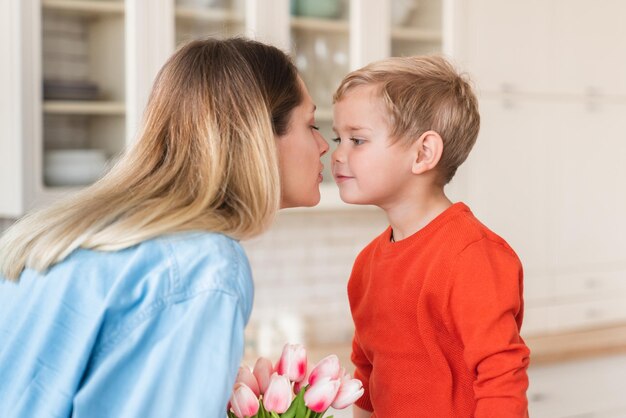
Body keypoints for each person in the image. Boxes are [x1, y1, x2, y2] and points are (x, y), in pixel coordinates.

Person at [0, 37, 328, 417]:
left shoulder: (63, 233)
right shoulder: (201, 266)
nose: (323, 145)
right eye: (311, 124)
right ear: (259, 136)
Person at [331, 55, 530, 417]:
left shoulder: (473, 256)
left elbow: (502, 382)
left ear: (423, 153)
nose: (338, 153)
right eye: (337, 137)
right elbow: (368, 377)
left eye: (357, 140)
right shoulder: (366, 265)